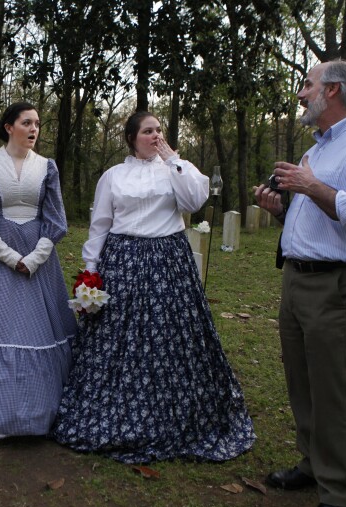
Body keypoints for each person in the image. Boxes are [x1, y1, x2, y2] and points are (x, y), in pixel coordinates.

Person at [51, 112, 255, 464]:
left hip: (168, 260)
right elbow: (100, 224)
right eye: (148, 132)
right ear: (132, 138)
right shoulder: (113, 176)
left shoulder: (176, 169)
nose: (155, 136)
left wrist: (173, 158)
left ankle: (175, 416)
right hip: (124, 260)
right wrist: (90, 271)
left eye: (159, 130)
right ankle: (116, 412)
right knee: (119, 339)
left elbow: (194, 201)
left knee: (170, 336)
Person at [255, 60, 346, 507]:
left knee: (332, 389)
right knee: (301, 381)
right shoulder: (314, 150)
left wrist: (310, 185)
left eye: (306, 84)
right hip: (297, 279)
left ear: (332, 91)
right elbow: (314, 218)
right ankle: (311, 465)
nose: (300, 93)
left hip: (336, 285)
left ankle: (336, 493)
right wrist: (281, 209)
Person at [0, 103, 76, 438]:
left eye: (37, 123)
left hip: (40, 259)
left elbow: (56, 220)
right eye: (27, 123)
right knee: (0, 327)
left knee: (38, 328)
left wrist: (35, 257)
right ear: (9, 127)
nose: (34, 129)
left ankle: (41, 414)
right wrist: (10, 257)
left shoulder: (47, 167)